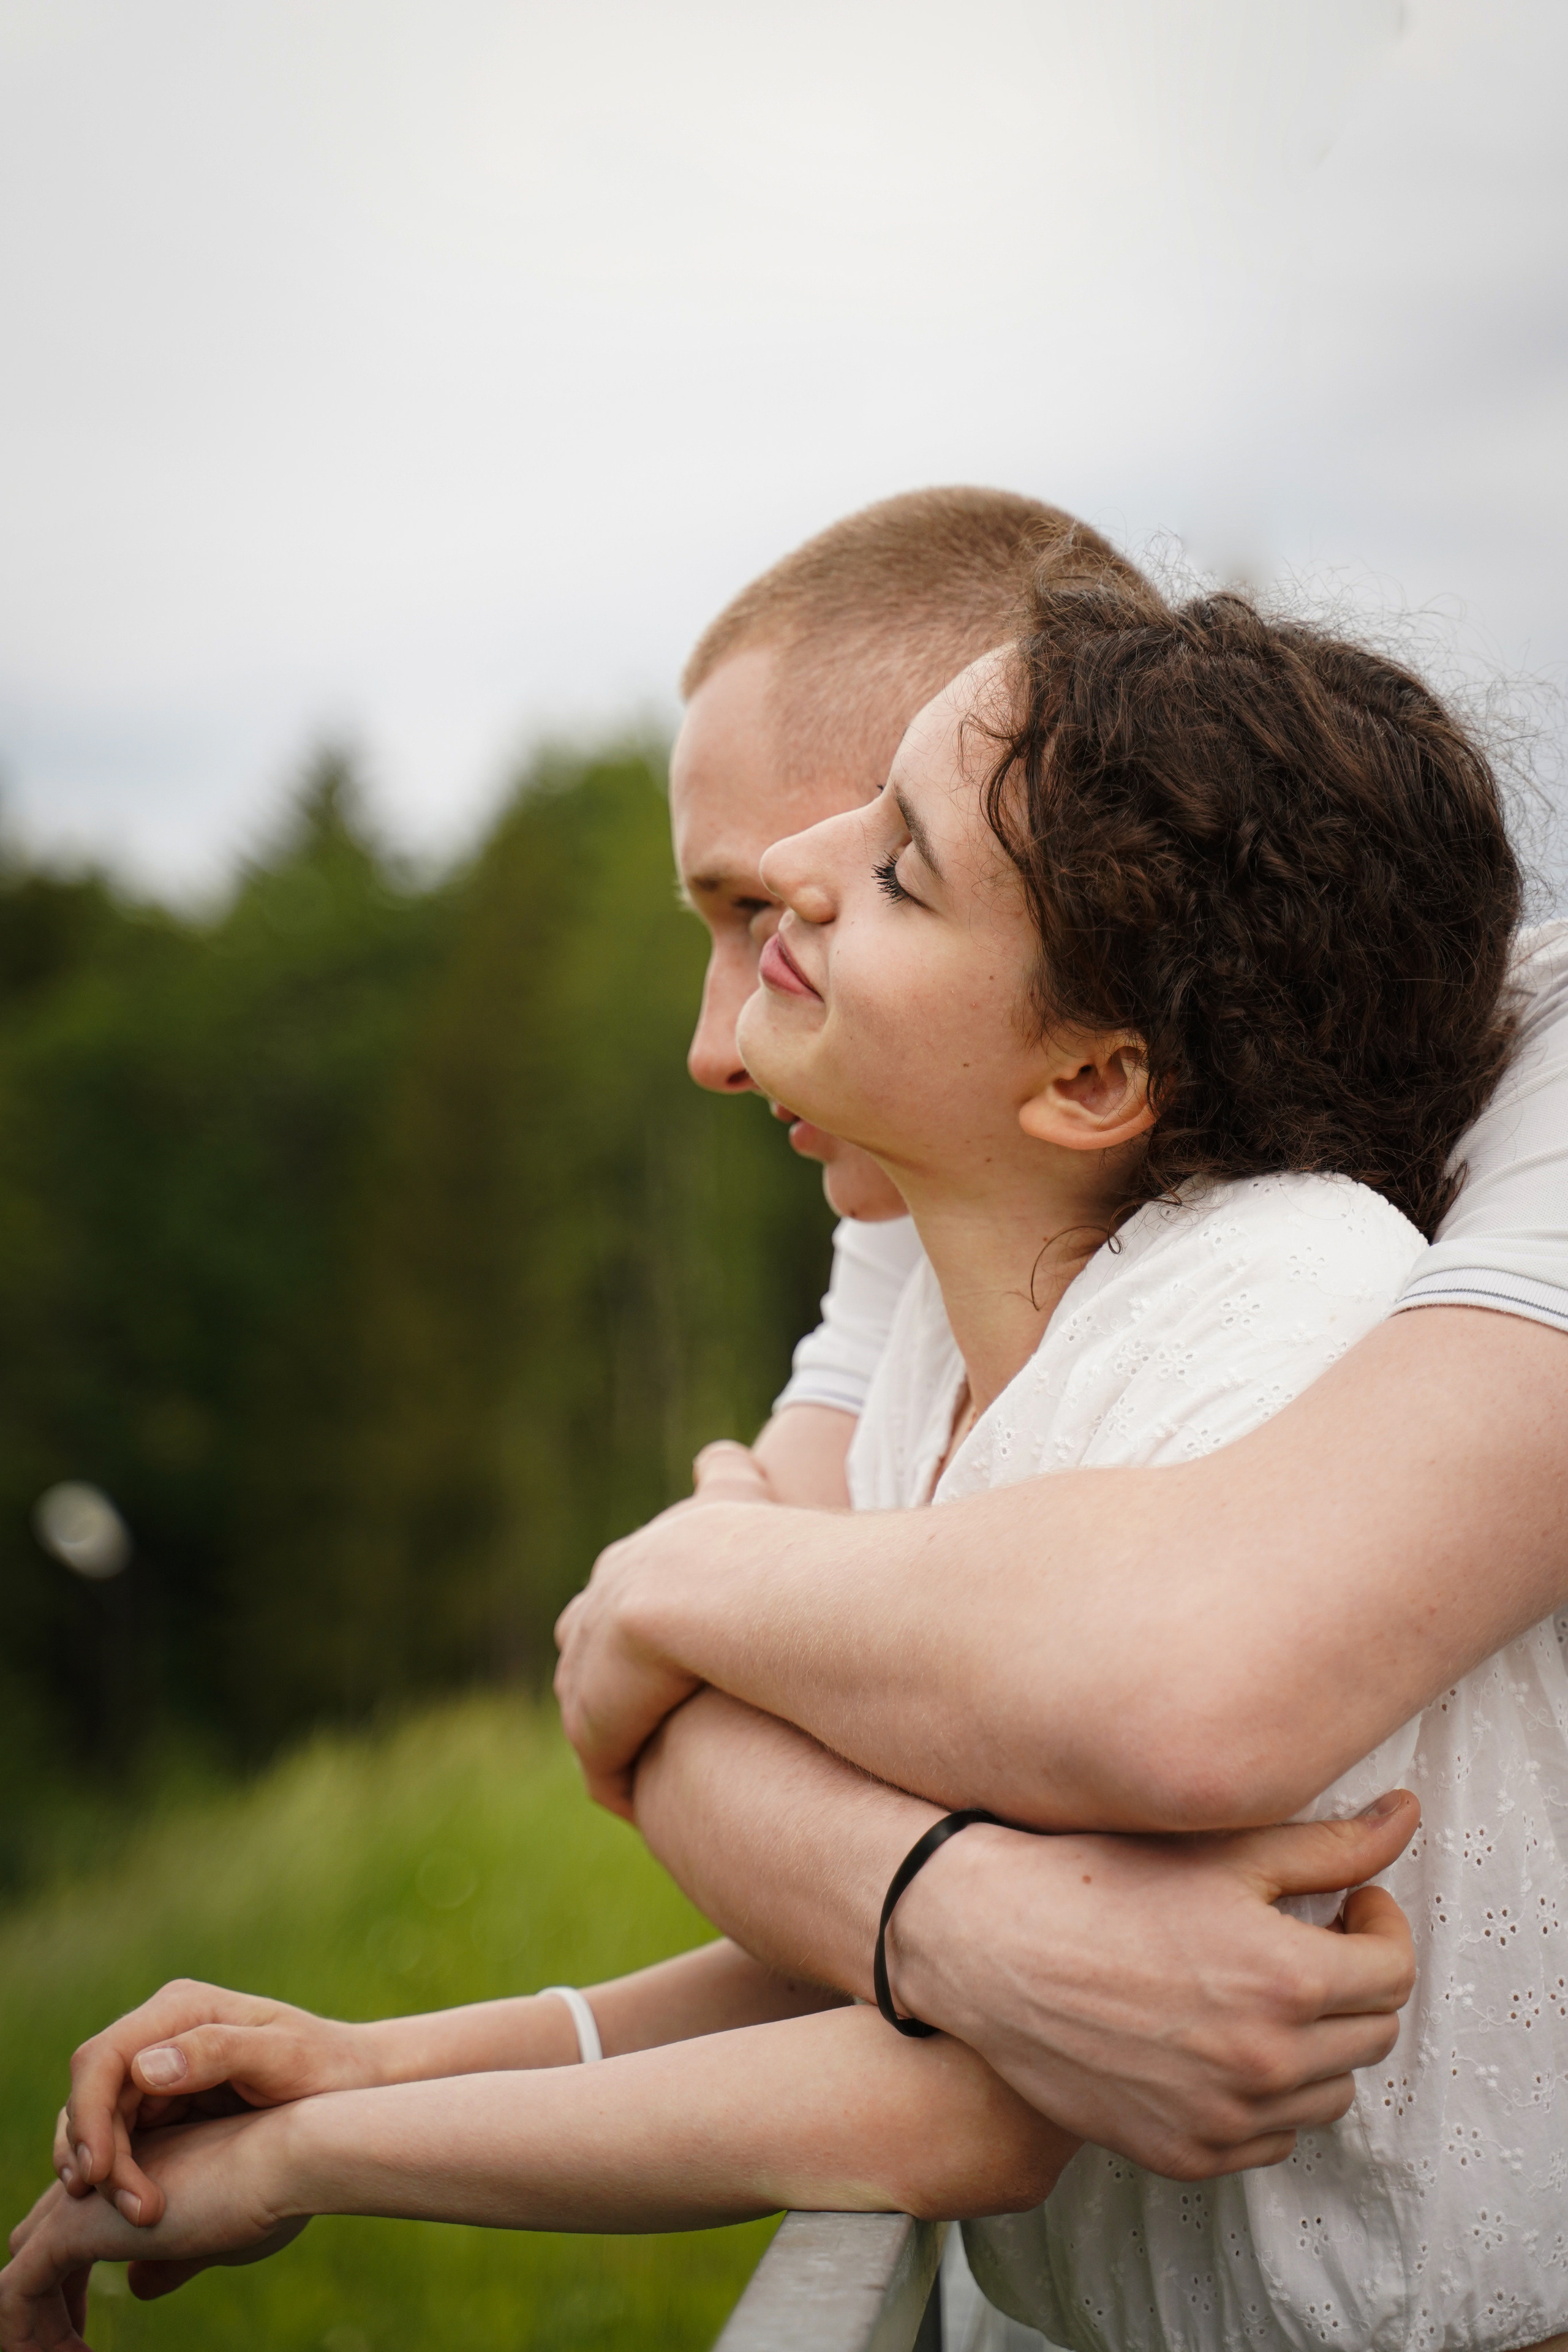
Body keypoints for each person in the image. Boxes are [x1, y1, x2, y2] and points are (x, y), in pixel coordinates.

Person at [6, 562, 1509, 2351]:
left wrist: (311, 2156)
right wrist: (368, 2055)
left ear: (1095, 1082)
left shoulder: (1280, 1298)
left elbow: (987, 2098)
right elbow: (938, 1949)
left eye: (893, 866)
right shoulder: (957, 1320)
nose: (805, 880)